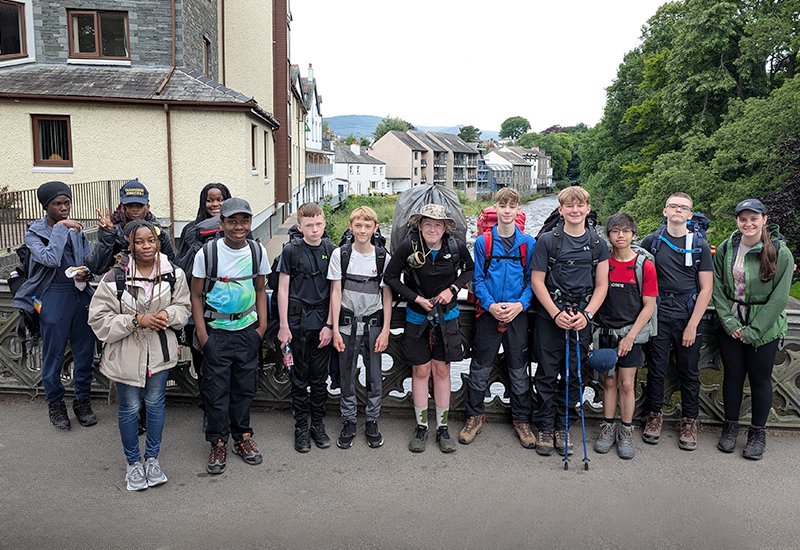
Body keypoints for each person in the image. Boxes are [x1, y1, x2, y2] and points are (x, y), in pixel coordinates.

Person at [88, 220, 191, 491]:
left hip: (159, 353)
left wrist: (168, 315)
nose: (146, 246)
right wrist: (136, 320)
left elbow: (184, 307)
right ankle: (133, 463)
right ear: (129, 244)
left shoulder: (173, 274)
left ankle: (152, 460)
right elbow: (98, 320)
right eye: (139, 242)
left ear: (158, 242)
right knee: (130, 407)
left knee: (156, 404)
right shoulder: (115, 278)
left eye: (151, 240)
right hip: (126, 354)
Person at [384, 203, 475, 453]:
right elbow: (390, 278)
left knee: (442, 371)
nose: (432, 228)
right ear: (420, 225)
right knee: (421, 371)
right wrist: (416, 298)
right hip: (416, 318)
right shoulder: (409, 247)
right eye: (427, 224)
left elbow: (470, 270)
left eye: (437, 224)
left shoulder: (454, 247)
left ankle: (442, 428)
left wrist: (452, 290)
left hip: (447, 318)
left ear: (445, 227)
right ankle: (422, 426)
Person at [191, 198, 269, 474]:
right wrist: (203, 334)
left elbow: (260, 290)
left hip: (248, 332)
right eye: (232, 221)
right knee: (215, 392)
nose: (239, 227)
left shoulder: (258, 252)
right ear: (221, 223)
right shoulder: (207, 254)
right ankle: (218, 441)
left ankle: (242, 437)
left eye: (244, 221)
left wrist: (261, 328)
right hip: (216, 334)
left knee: (244, 389)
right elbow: (196, 295)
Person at [531, 185, 609, 458]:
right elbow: (537, 281)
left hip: (582, 317)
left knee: (575, 374)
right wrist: (555, 313)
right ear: (560, 209)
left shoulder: (599, 243)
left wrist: (587, 315)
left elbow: (602, 285)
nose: (575, 211)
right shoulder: (547, 241)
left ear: (587, 209)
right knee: (547, 372)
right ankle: (544, 426)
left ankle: (564, 426)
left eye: (580, 206)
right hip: (551, 315)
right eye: (569, 206)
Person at [712, 199, 794, 460]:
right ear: (737, 220)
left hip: (765, 326)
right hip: (731, 323)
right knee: (732, 377)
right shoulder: (727, 248)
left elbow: (779, 298)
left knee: (760, 380)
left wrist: (753, 331)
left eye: (753, 218)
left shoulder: (780, 252)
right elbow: (718, 289)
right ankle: (730, 427)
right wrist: (731, 324)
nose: (748, 224)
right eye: (743, 219)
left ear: (764, 219)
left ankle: (758, 433)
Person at [12, 181, 97, 430]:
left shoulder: (76, 229)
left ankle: (82, 400)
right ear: (45, 206)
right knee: (53, 354)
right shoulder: (34, 233)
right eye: (57, 204)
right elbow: (50, 259)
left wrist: (86, 273)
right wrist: (61, 228)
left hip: (79, 293)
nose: (63, 208)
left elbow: (86, 259)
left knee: (84, 353)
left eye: (67, 203)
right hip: (52, 296)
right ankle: (55, 403)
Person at [458, 188, 537, 448]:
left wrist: (520, 305)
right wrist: (491, 306)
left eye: (511, 206)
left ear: (518, 210)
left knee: (519, 369)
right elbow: (477, 279)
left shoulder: (528, 243)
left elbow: (531, 282)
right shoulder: (484, 242)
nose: (506, 211)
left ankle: (522, 421)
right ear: (496, 208)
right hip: (488, 314)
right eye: (502, 206)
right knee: (479, 368)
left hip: (517, 314)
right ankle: (474, 416)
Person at [639, 192, 713, 451]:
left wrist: (693, 324)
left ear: (690, 215)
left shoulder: (701, 245)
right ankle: (653, 416)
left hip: (687, 312)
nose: (678, 211)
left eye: (684, 208)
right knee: (656, 368)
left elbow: (706, 288)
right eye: (674, 206)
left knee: (689, 371)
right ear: (665, 211)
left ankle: (689, 421)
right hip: (659, 313)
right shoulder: (653, 241)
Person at [593, 213, 658, 459]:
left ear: (633, 234)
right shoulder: (603, 263)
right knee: (608, 382)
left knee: (627, 384)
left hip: (632, 333)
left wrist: (630, 336)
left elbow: (649, 305)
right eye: (615, 231)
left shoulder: (644, 265)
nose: (621, 235)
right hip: (605, 332)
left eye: (626, 231)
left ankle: (626, 429)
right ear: (608, 235)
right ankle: (608, 427)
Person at [328, 206, 393, 449]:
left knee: (375, 374)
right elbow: (335, 292)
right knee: (347, 374)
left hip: (374, 323)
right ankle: (349, 419)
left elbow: (387, 295)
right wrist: (334, 329)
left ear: (375, 228)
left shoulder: (382, 258)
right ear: (351, 226)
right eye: (358, 225)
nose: (363, 230)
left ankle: (373, 420)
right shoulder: (341, 255)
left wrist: (386, 329)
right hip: (346, 322)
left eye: (367, 226)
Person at [277, 202, 337, 453]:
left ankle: (318, 424)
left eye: (319, 224)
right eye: (309, 225)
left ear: (324, 223)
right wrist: (283, 325)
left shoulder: (332, 250)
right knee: (299, 379)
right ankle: (301, 426)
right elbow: (282, 289)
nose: (315, 229)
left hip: (321, 323)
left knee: (320, 379)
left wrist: (330, 325)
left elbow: (336, 290)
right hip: (297, 323)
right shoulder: (291, 251)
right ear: (300, 227)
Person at [175, 183, 232, 419]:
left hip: (229, 308)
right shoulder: (192, 229)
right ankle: (208, 404)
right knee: (202, 359)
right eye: (210, 200)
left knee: (227, 362)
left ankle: (226, 407)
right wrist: (198, 245)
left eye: (220, 199)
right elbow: (182, 269)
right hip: (200, 307)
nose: (215, 204)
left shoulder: (237, 228)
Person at [86, 179, 175, 275]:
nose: (135, 209)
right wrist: (107, 235)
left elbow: (171, 266)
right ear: (123, 208)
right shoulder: (113, 231)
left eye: (139, 205)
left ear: (148, 207)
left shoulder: (158, 234)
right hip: (120, 286)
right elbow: (96, 268)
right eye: (130, 205)